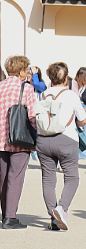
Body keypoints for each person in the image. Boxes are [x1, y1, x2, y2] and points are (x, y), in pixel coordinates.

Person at [36, 62, 86, 232]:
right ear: (66, 78)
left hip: (44, 140)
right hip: (66, 138)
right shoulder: (71, 95)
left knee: (48, 179)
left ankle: (53, 218)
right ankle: (62, 208)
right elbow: (82, 119)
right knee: (72, 177)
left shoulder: (43, 94)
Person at [0, 55, 37, 229]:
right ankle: (10, 217)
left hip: (0, 139)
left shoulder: (0, 86)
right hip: (19, 139)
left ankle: (4, 213)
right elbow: (31, 115)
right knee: (15, 177)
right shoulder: (26, 88)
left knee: (2, 177)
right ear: (22, 71)